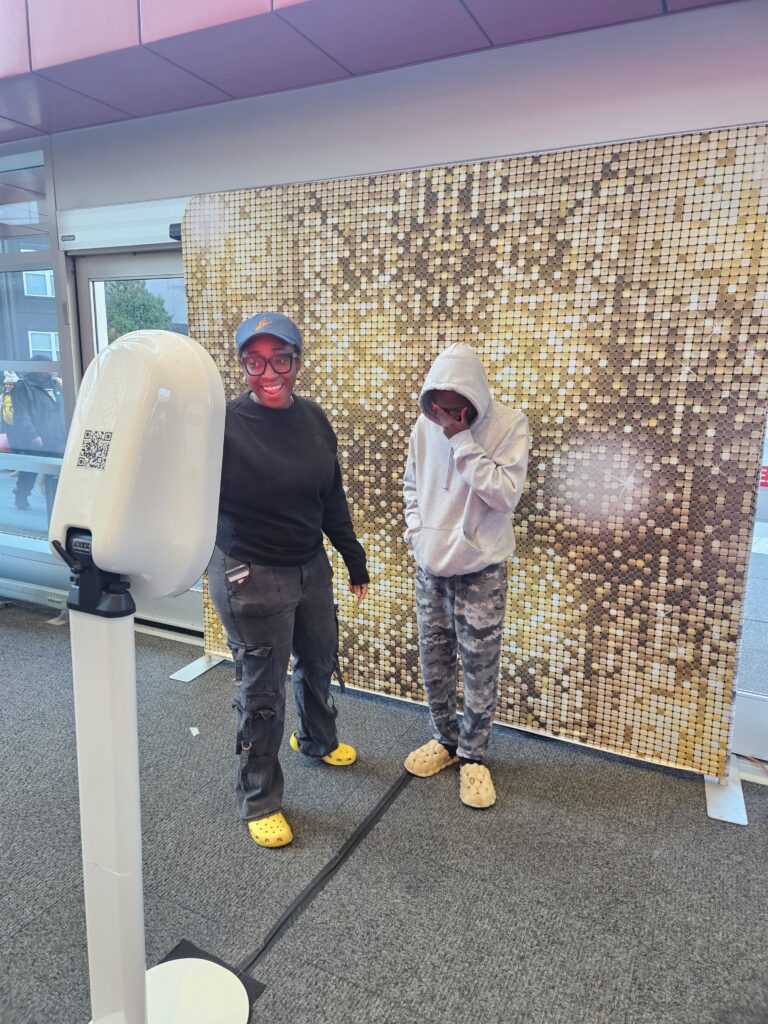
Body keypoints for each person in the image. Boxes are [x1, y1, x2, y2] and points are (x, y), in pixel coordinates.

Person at [208, 312, 369, 849]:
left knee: (319, 659)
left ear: (297, 361)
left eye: (280, 359)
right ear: (242, 366)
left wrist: (353, 558)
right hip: (251, 573)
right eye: (255, 362)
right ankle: (259, 798)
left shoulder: (314, 419)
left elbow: (331, 495)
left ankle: (317, 739)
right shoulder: (223, 426)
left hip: (309, 566)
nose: (269, 373)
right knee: (263, 692)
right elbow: (187, 495)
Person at [403, 342, 529, 808]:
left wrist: (461, 441)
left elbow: (506, 494)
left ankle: (474, 756)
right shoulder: (424, 426)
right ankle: (445, 739)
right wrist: (417, 533)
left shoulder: (510, 425)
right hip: (430, 567)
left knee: (479, 667)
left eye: (457, 411)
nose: (446, 418)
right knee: (434, 661)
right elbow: (412, 484)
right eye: (439, 409)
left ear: (475, 400)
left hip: (481, 572)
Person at [7, 357, 66, 517]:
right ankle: (21, 497)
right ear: (38, 368)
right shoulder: (23, 387)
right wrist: (32, 434)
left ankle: (56, 502)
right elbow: (21, 414)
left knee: (55, 471)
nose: (51, 369)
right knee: (30, 471)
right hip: (37, 437)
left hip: (57, 435)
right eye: (47, 366)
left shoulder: (53, 384)